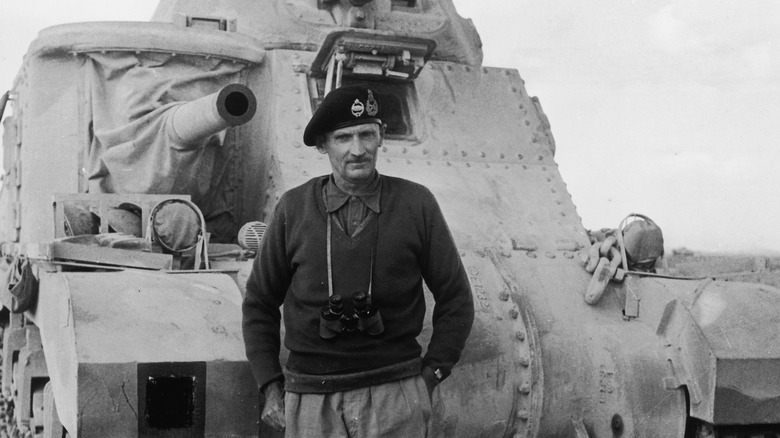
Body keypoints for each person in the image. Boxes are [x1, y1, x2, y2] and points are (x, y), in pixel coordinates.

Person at [242, 85, 474, 437]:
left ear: (381, 136)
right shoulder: (293, 208)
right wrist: (270, 386)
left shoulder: (417, 204)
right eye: (343, 137)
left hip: (396, 394)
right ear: (323, 145)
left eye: (367, 134)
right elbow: (259, 302)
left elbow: (456, 298)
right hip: (310, 398)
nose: (358, 150)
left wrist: (430, 377)